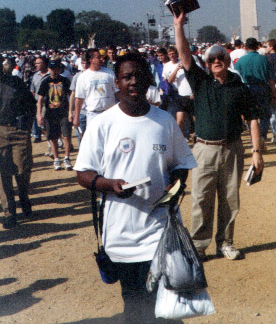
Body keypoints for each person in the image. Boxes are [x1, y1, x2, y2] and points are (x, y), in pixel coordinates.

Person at [74, 53, 196, 322]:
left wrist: (176, 182)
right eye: (127, 76)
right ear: (116, 82)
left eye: (139, 76)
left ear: (148, 80)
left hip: (159, 230)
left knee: (166, 306)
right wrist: (109, 184)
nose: (133, 82)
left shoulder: (164, 121)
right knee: (134, 306)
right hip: (121, 235)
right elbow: (83, 175)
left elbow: (182, 163)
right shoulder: (102, 124)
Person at [174, 12, 264, 261]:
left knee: (229, 199)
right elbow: (183, 54)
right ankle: (199, 245)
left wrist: (257, 152)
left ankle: (226, 242)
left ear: (227, 59)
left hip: (233, 148)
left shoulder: (239, 86)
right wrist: (178, 26)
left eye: (220, 57)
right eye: (211, 59)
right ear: (206, 63)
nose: (216, 61)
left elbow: (253, 119)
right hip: (204, 149)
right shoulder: (201, 82)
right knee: (201, 199)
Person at [0, 55, 36, 228]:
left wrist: (26, 126)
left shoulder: (15, 83)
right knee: (2, 174)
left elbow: (31, 103)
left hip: (17, 130)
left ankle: (24, 197)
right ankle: (9, 212)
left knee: (22, 170)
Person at [235, 37, 276, 150]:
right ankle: (262, 136)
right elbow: (271, 79)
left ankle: (255, 140)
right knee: (265, 115)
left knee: (250, 117)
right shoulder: (263, 59)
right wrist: (273, 92)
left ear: (246, 47)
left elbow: (235, 76)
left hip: (247, 89)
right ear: (257, 46)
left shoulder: (241, 60)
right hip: (262, 88)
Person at [37, 58, 73, 171]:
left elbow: (71, 94)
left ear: (59, 69)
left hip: (63, 111)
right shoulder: (45, 81)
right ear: (49, 69)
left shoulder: (65, 80)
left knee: (66, 135)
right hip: (50, 113)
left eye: (55, 68)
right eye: (51, 69)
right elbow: (40, 99)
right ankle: (56, 159)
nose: (53, 71)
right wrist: (39, 114)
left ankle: (67, 157)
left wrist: (72, 110)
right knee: (53, 137)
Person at [73, 49, 117, 127]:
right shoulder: (83, 77)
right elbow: (79, 99)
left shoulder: (109, 73)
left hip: (110, 113)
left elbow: (117, 92)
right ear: (91, 60)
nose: (101, 59)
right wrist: (76, 117)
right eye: (98, 57)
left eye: (101, 57)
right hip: (93, 115)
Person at [162, 47, 194, 135]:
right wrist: (177, 69)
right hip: (177, 94)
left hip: (190, 94)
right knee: (179, 121)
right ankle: (181, 139)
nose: (172, 55)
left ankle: (196, 137)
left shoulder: (185, 62)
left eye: (174, 53)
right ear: (168, 55)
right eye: (170, 54)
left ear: (177, 54)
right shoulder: (167, 66)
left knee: (195, 120)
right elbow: (169, 80)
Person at [30, 56, 49, 143]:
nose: (36, 65)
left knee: (45, 123)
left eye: (38, 63)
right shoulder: (35, 75)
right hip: (37, 102)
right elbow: (33, 90)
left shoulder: (50, 74)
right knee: (38, 121)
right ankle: (38, 135)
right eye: (36, 63)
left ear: (44, 64)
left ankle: (53, 141)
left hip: (48, 102)